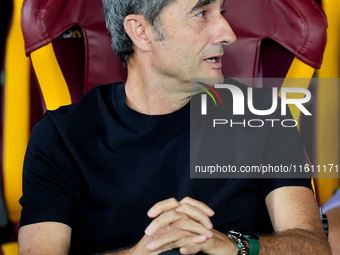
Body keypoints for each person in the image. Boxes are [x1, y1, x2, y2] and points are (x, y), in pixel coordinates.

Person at [18, 0, 331, 254]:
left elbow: (314, 247)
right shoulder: (60, 136)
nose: (228, 33)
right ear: (140, 31)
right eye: (201, 13)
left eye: (221, 12)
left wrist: (234, 246)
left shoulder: (264, 116)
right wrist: (145, 251)